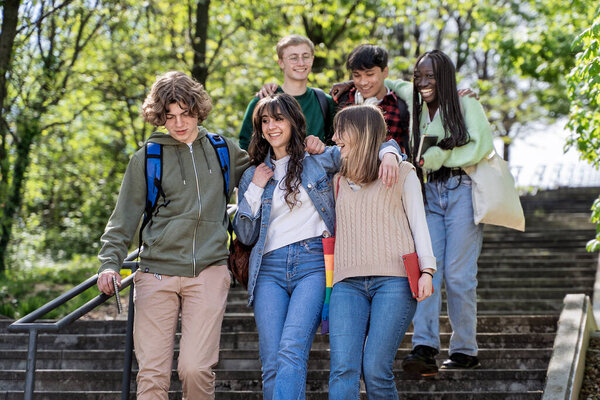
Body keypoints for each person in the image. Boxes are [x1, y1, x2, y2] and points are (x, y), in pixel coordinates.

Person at [233, 93, 401, 400]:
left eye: (278, 118)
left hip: (312, 264)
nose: (271, 127)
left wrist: (390, 154)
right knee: (271, 362)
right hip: (268, 269)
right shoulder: (251, 176)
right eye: (265, 121)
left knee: (291, 350)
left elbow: (371, 145)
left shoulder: (319, 160)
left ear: (294, 121)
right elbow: (244, 234)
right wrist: (256, 188)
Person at [96, 71, 251, 399]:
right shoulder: (146, 159)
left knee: (195, 369)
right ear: (159, 117)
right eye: (170, 116)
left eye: (186, 113)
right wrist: (109, 264)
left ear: (198, 109)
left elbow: (271, 161)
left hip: (208, 271)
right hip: (156, 273)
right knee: (152, 375)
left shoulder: (223, 151)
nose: (179, 123)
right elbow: (122, 219)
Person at [386, 50, 494, 376]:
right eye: (418, 75)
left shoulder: (465, 105)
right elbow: (387, 80)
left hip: (460, 191)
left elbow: (482, 145)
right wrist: (351, 82)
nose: (423, 82)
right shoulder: (413, 98)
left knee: (459, 277)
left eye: (430, 76)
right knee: (426, 270)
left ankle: (464, 350)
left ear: (445, 76)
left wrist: (441, 157)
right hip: (428, 195)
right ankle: (424, 347)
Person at [328, 104, 436, 399]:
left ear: (362, 133)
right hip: (346, 284)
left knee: (375, 368)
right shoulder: (336, 179)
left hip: (395, 282)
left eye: (342, 130)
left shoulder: (402, 172)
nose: (335, 137)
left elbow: (419, 223)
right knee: (342, 369)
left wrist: (427, 270)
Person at [238, 34, 335, 150]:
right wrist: (255, 168)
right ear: (281, 63)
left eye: (305, 56)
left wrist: (321, 147)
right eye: (293, 58)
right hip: (272, 167)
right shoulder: (262, 101)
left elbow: (337, 145)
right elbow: (245, 147)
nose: (301, 63)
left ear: (312, 60)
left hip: (317, 167)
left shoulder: (325, 102)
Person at [334, 44, 411, 155]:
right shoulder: (342, 100)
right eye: (357, 75)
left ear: (385, 72)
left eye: (369, 74)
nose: (363, 82)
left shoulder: (401, 107)